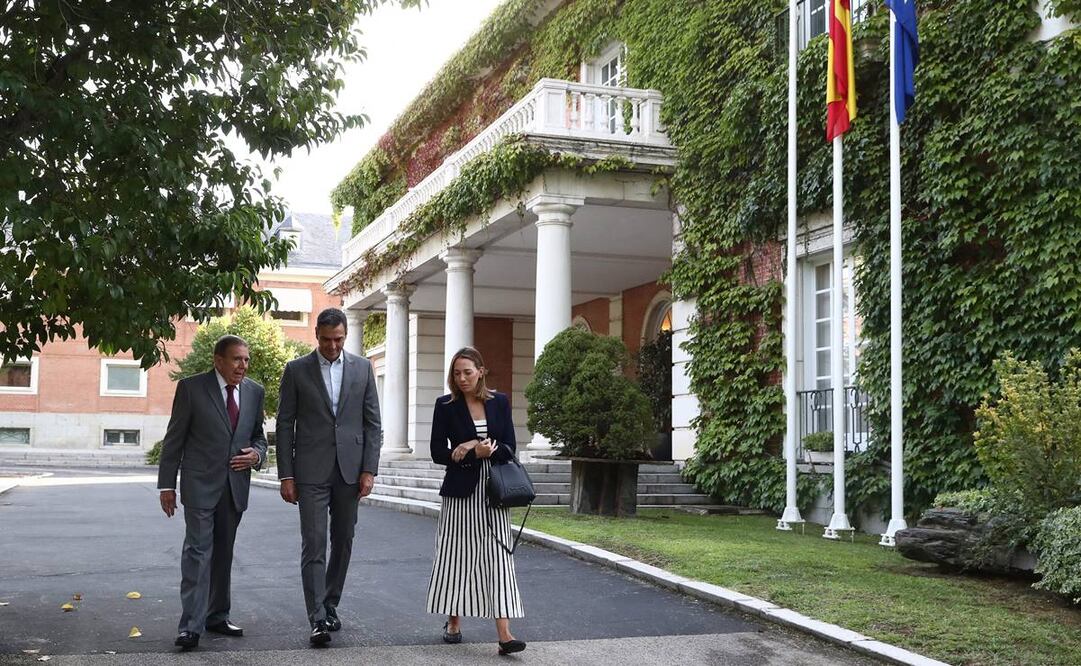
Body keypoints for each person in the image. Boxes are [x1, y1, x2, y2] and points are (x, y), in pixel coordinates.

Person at [276, 307, 382, 646]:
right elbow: (284, 424)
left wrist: (369, 468)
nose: (332, 346)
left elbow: (372, 425)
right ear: (316, 336)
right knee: (314, 542)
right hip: (309, 471)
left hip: (350, 470)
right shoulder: (296, 370)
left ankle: (330, 602)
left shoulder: (363, 368)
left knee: (344, 540)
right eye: (326, 340)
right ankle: (317, 618)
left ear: (345, 335)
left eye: (338, 340)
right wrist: (286, 474)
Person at [157, 334, 268, 650]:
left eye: (246, 360)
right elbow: (174, 439)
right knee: (197, 552)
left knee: (223, 554)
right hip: (199, 486)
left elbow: (259, 438)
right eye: (236, 359)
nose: (242, 366)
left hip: (234, 488)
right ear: (218, 360)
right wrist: (167, 485)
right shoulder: (192, 388)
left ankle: (217, 615)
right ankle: (190, 626)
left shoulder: (254, 392)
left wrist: (257, 455)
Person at [426, 346, 526, 656]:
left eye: (467, 372)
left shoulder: (500, 402)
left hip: (494, 493)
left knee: (498, 559)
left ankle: (504, 633)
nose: (462, 378)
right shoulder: (445, 405)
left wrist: (480, 446)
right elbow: (437, 453)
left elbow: (510, 447)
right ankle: (453, 620)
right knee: (457, 556)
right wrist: (469, 452)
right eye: (457, 373)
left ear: (481, 371)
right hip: (460, 494)